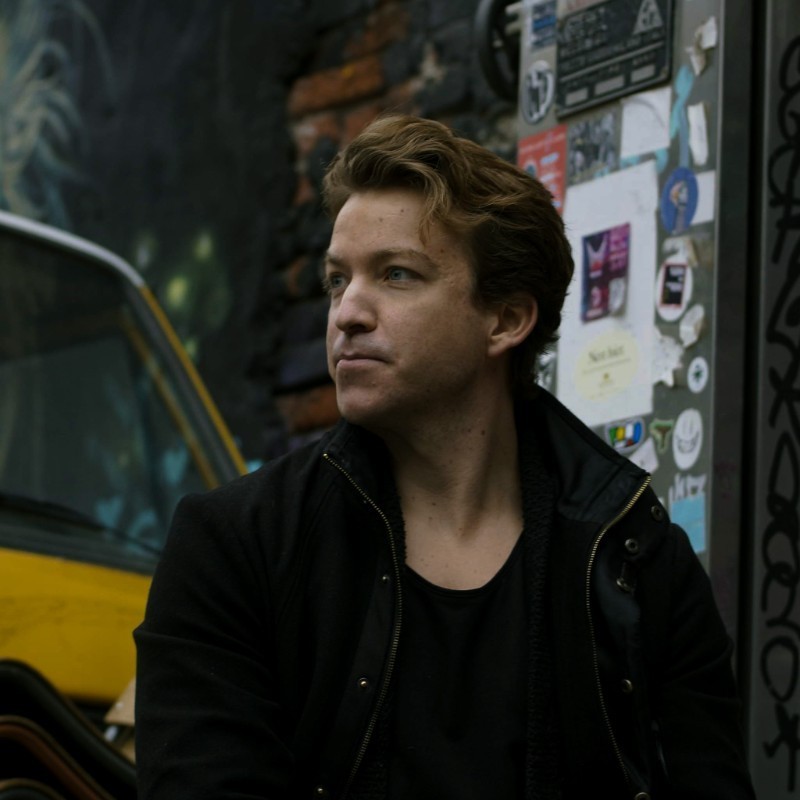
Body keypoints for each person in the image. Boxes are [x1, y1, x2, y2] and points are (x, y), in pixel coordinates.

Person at [134, 115, 756, 799]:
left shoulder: (635, 560)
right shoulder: (237, 547)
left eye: (396, 274)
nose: (347, 313)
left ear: (505, 319)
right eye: (338, 279)